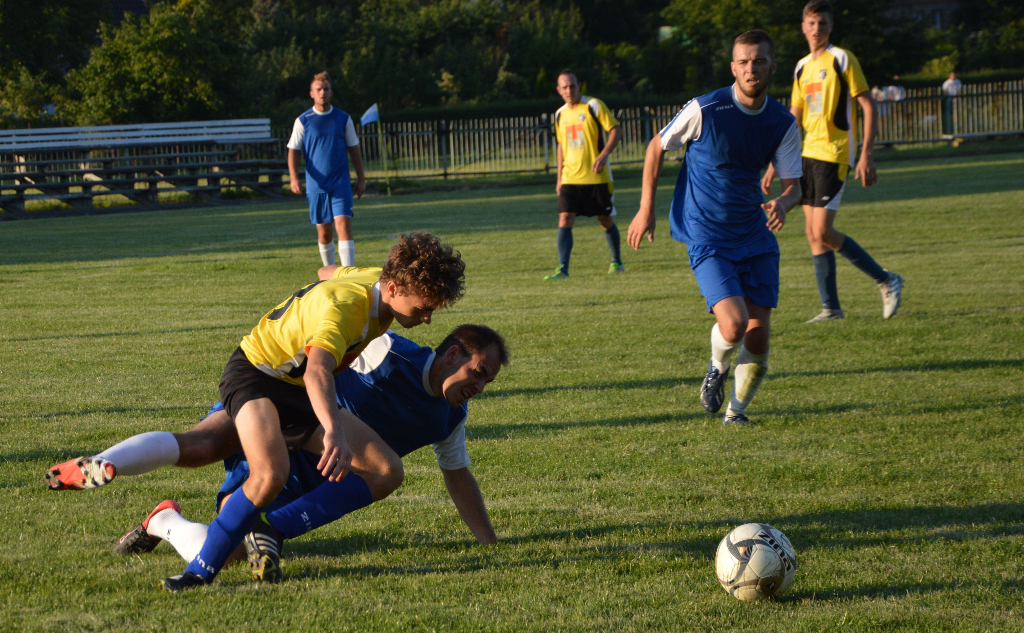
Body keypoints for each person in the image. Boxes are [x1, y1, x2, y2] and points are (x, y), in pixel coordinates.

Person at [46, 232, 466, 592]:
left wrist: (307, 307)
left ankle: (268, 525)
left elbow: (327, 273)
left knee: (384, 469)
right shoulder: (346, 310)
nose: (427, 319)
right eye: (422, 308)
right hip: (258, 375)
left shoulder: (372, 282)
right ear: (392, 288)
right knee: (260, 470)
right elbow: (319, 369)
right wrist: (332, 430)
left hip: (292, 386)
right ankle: (197, 571)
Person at [110, 325, 508, 587]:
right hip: (277, 443)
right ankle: (162, 516)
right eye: (478, 371)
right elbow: (315, 343)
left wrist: (490, 545)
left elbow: (458, 475)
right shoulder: (384, 350)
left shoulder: (450, 416)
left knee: (233, 551)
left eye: (487, 380)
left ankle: (241, 526)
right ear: (453, 354)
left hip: (309, 484)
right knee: (218, 537)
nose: (480, 385)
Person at [627, 30, 803, 426]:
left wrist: (785, 202)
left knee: (758, 336)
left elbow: (795, 186)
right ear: (733, 68)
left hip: (756, 236)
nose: (751, 69)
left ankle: (735, 414)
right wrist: (645, 208)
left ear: (773, 67)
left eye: (759, 61)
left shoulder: (782, 122)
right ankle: (717, 367)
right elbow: (657, 146)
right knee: (735, 323)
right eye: (743, 61)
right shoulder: (707, 108)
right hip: (708, 234)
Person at [762, 0, 904, 323]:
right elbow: (792, 118)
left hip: (835, 153)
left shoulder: (842, 59)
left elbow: (868, 105)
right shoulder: (800, 66)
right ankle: (831, 309)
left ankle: (886, 279)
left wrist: (867, 152)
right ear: (803, 26)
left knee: (823, 230)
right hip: (807, 155)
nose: (817, 29)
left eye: (823, 23)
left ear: (830, 26)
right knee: (813, 233)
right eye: (811, 23)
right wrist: (774, 162)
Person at [544, 69, 624, 279]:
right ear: (559, 90)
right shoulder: (560, 114)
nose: (569, 90)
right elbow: (561, 145)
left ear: (579, 86)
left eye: (573, 85)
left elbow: (615, 129)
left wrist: (604, 155)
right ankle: (562, 269)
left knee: (604, 220)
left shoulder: (593, 105)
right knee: (565, 218)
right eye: (565, 87)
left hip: (597, 176)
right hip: (571, 177)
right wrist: (559, 177)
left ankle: (617, 261)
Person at [288, 71, 367, 268]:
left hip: (340, 183)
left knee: (344, 226)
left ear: (331, 92)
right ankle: (330, 275)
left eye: (326, 89)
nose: (323, 92)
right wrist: (294, 178)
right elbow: (293, 150)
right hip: (317, 185)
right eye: (319, 89)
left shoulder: (343, 118)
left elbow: (354, 149)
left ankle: (348, 274)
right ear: (311, 93)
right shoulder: (303, 120)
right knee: (324, 232)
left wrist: (361, 178)